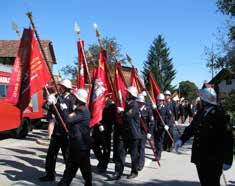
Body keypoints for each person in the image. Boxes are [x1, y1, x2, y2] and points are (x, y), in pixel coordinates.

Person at [175, 87, 233, 186]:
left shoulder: (220, 115)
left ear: (205, 101)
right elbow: (192, 128)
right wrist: (181, 140)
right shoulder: (201, 113)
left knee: (212, 183)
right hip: (200, 158)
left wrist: (228, 160)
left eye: (201, 99)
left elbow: (228, 139)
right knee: (204, 183)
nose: (200, 101)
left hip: (213, 160)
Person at [39, 79, 73, 182]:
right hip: (57, 132)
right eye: (59, 86)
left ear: (66, 88)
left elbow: (69, 116)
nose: (59, 88)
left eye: (61, 86)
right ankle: (50, 174)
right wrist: (49, 102)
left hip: (66, 132)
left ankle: (67, 177)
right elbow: (46, 108)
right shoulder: (58, 97)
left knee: (67, 157)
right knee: (51, 155)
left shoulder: (72, 99)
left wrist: (62, 108)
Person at [58, 88, 92, 186]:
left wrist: (64, 109)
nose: (73, 98)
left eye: (74, 97)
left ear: (78, 99)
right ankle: (65, 182)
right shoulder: (79, 109)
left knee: (84, 168)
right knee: (72, 166)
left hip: (81, 145)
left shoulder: (81, 110)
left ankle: (87, 183)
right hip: (77, 144)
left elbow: (68, 119)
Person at [112, 86, 141, 180]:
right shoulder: (127, 104)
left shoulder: (135, 105)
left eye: (128, 93)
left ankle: (134, 172)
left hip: (133, 134)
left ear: (132, 95)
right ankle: (118, 172)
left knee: (133, 155)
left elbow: (128, 116)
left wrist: (121, 112)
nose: (126, 94)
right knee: (121, 153)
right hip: (125, 133)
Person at [92, 94, 116, 173]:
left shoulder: (111, 105)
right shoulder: (97, 102)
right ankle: (101, 160)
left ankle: (104, 165)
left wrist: (104, 126)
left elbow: (112, 118)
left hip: (105, 129)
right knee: (94, 145)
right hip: (97, 128)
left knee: (106, 148)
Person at [136, 93, 154, 171]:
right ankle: (136, 163)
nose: (139, 104)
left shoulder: (148, 109)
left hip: (144, 131)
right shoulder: (135, 109)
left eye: (140, 103)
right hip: (136, 131)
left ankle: (140, 164)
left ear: (143, 102)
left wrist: (150, 132)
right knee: (136, 148)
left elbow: (152, 122)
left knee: (141, 147)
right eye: (138, 102)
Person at [152, 93, 172, 160]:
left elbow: (170, 117)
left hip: (162, 127)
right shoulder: (155, 107)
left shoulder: (166, 108)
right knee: (156, 141)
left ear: (163, 101)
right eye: (158, 100)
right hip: (156, 127)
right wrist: (153, 109)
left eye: (161, 100)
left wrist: (167, 125)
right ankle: (157, 151)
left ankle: (158, 155)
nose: (159, 101)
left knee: (160, 141)